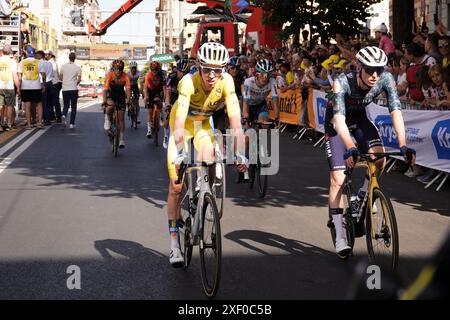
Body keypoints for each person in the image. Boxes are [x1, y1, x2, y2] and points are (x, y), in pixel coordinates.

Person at [325, 46, 416, 258]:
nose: (375, 75)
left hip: (360, 121)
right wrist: (351, 147)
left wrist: (403, 145)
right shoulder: (342, 82)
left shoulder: (386, 79)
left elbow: (396, 112)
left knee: (379, 159)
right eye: (369, 70)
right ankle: (339, 234)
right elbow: (338, 120)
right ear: (359, 68)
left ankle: (362, 196)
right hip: (336, 126)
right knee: (338, 179)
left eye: (379, 69)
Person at [166, 42, 247, 267]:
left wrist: (241, 153)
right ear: (198, 67)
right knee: (176, 186)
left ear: (224, 70)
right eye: (207, 69)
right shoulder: (187, 82)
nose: (212, 75)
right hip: (181, 127)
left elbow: (236, 121)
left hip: (202, 126)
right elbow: (180, 121)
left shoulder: (227, 82)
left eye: (218, 70)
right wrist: (180, 152)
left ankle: (204, 194)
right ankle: (174, 243)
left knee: (210, 156)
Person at [102, 59, 131, 148]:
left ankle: (121, 139)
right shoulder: (109, 75)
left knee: (121, 118)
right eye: (116, 69)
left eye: (120, 69)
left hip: (121, 95)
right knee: (110, 106)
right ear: (113, 69)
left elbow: (128, 90)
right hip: (111, 94)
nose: (118, 71)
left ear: (122, 69)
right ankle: (107, 118)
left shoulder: (126, 76)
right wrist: (104, 101)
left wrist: (128, 101)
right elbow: (105, 90)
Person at [17, 46, 46, 129]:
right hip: (36, 86)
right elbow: (43, 75)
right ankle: (39, 122)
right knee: (39, 104)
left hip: (25, 87)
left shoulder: (22, 62)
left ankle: (29, 124)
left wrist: (19, 88)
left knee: (27, 105)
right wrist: (43, 85)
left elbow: (19, 77)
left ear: (26, 52)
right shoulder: (38, 62)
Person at [164, 58, 189, 149]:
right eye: (180, 71)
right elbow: (167, 94)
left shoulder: (190, 78)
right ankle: (166, 135)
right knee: (168, 115)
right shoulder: (171, 77)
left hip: (184, 99)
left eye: (184, 72)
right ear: (176, 70)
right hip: (173, 99)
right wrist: (167, 105)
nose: (182, 74)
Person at [0, 44, 19, 132]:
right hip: (9, 87)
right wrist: (18, 87)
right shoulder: (12, 62)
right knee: (10, 106)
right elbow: (15, 76)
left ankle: (0, 125)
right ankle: (9, 124)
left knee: (1, 106)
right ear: (10, 52)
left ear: (2, 51)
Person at [60, 52, 81, 128]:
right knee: (73, 107)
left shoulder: (63, 66)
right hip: (73, 89)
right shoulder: (77, 68)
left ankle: (63, 115)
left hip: (65, 88)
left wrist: (65, 82)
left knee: (66, 105)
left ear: (69, 58)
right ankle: (72, 124)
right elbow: (79, 79)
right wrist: (75, 83)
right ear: (74, 58)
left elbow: (60, 77)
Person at [143, 60, 164, 138]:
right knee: (150, 111)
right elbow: (145, 87)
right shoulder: (148, 75)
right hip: (150, 91)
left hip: (159, 90)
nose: (154, 71)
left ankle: (161, 115)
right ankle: (149, 130)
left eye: (156, 70)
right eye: (152, 70)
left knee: (160, 102)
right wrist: (146, 96)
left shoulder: (162, 75)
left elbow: (164, 87)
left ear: (159, 69)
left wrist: (164, 97)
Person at [127, 60, 141, 126]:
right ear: (130, 68)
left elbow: (141, 82)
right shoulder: (127, 74)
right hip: (129, 86)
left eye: (134, 68)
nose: (133, 69)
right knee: (128, 99)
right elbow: (126, 84)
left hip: (135, 86)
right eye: (132, 68)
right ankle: (129, 108)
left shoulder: (139, 73)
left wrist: (141, 89)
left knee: (137, 103)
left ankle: (137, 117)